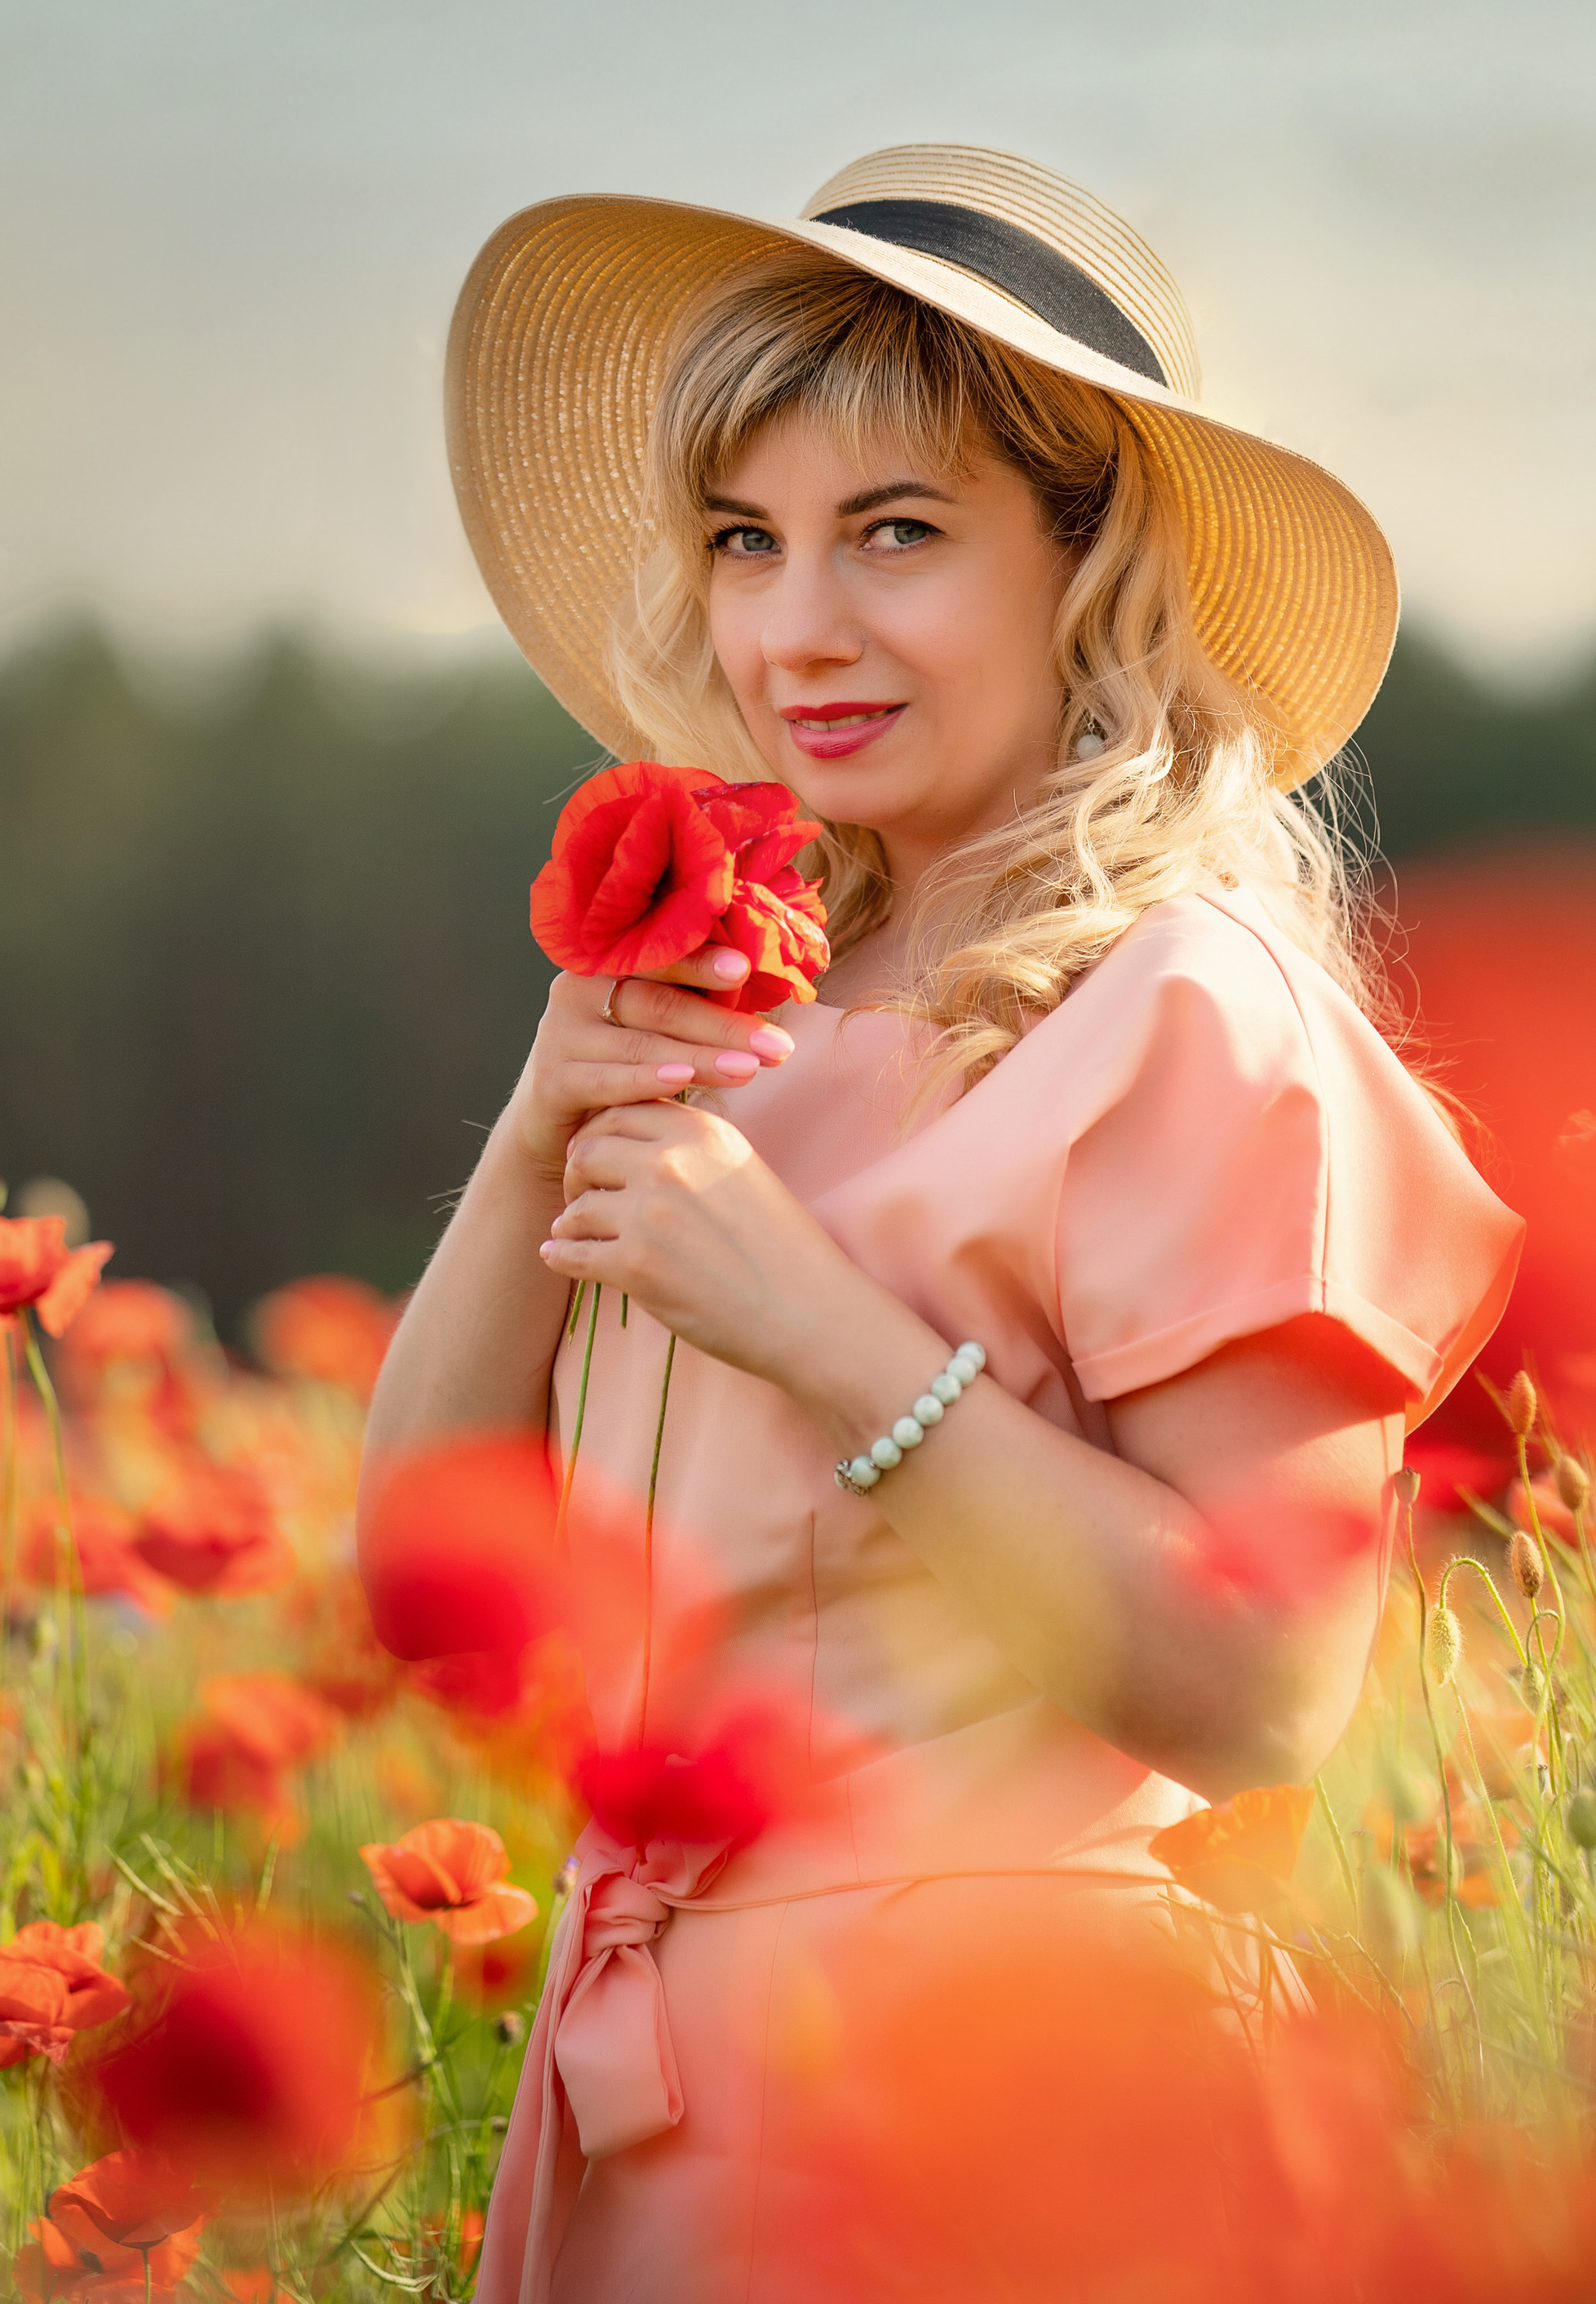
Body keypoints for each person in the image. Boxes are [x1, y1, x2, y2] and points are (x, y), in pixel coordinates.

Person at [366, 143, 1522, 2303]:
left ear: (1088, 569)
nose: (802, 625)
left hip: (1000, 2118)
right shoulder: (732, 1009)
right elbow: (433, 1594)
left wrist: (819, 1326)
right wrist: (538, 1129)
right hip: (649, 2114)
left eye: (896, 534)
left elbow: (1264, 1690)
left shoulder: (1197, 1016)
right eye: (747, 542)